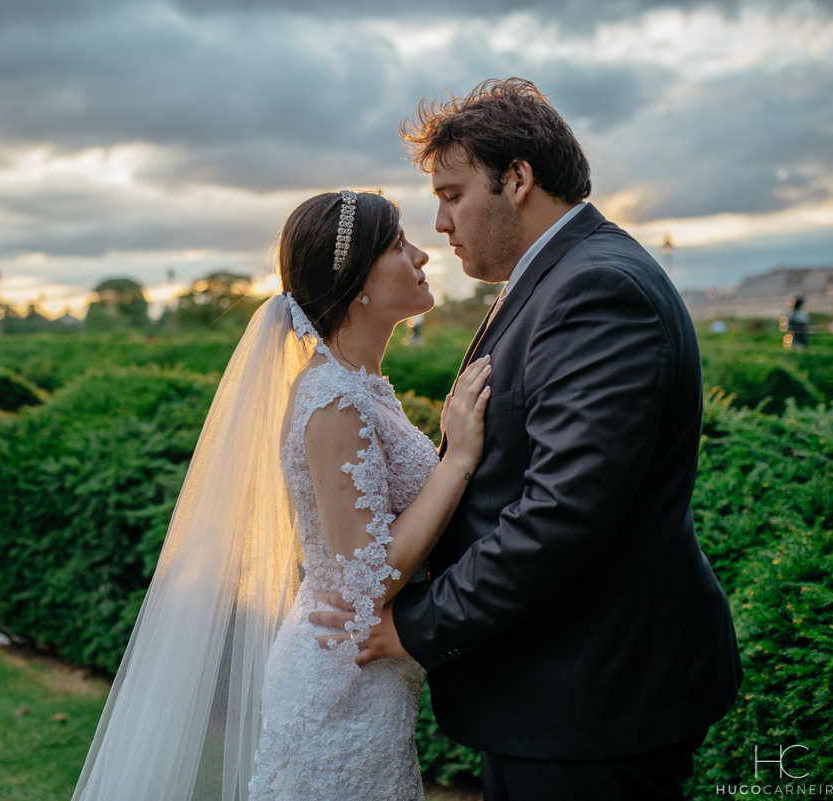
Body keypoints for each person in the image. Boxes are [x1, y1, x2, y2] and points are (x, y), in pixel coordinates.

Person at [311, 78, 744, 800]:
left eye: (452, 194)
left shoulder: (597, 288)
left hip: (591, 697)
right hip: (552, 690)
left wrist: (416, 623)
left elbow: (563, 513)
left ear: (516, 179)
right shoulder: (552, 278)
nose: (441, 223)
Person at [71, 190, 491, 801]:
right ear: (357, 283)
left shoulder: (364, 387)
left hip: (366, 675)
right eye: (399, 246)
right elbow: (364, 579)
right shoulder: (333, 401)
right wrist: (460, 459)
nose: (423, 255)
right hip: (340, 684)